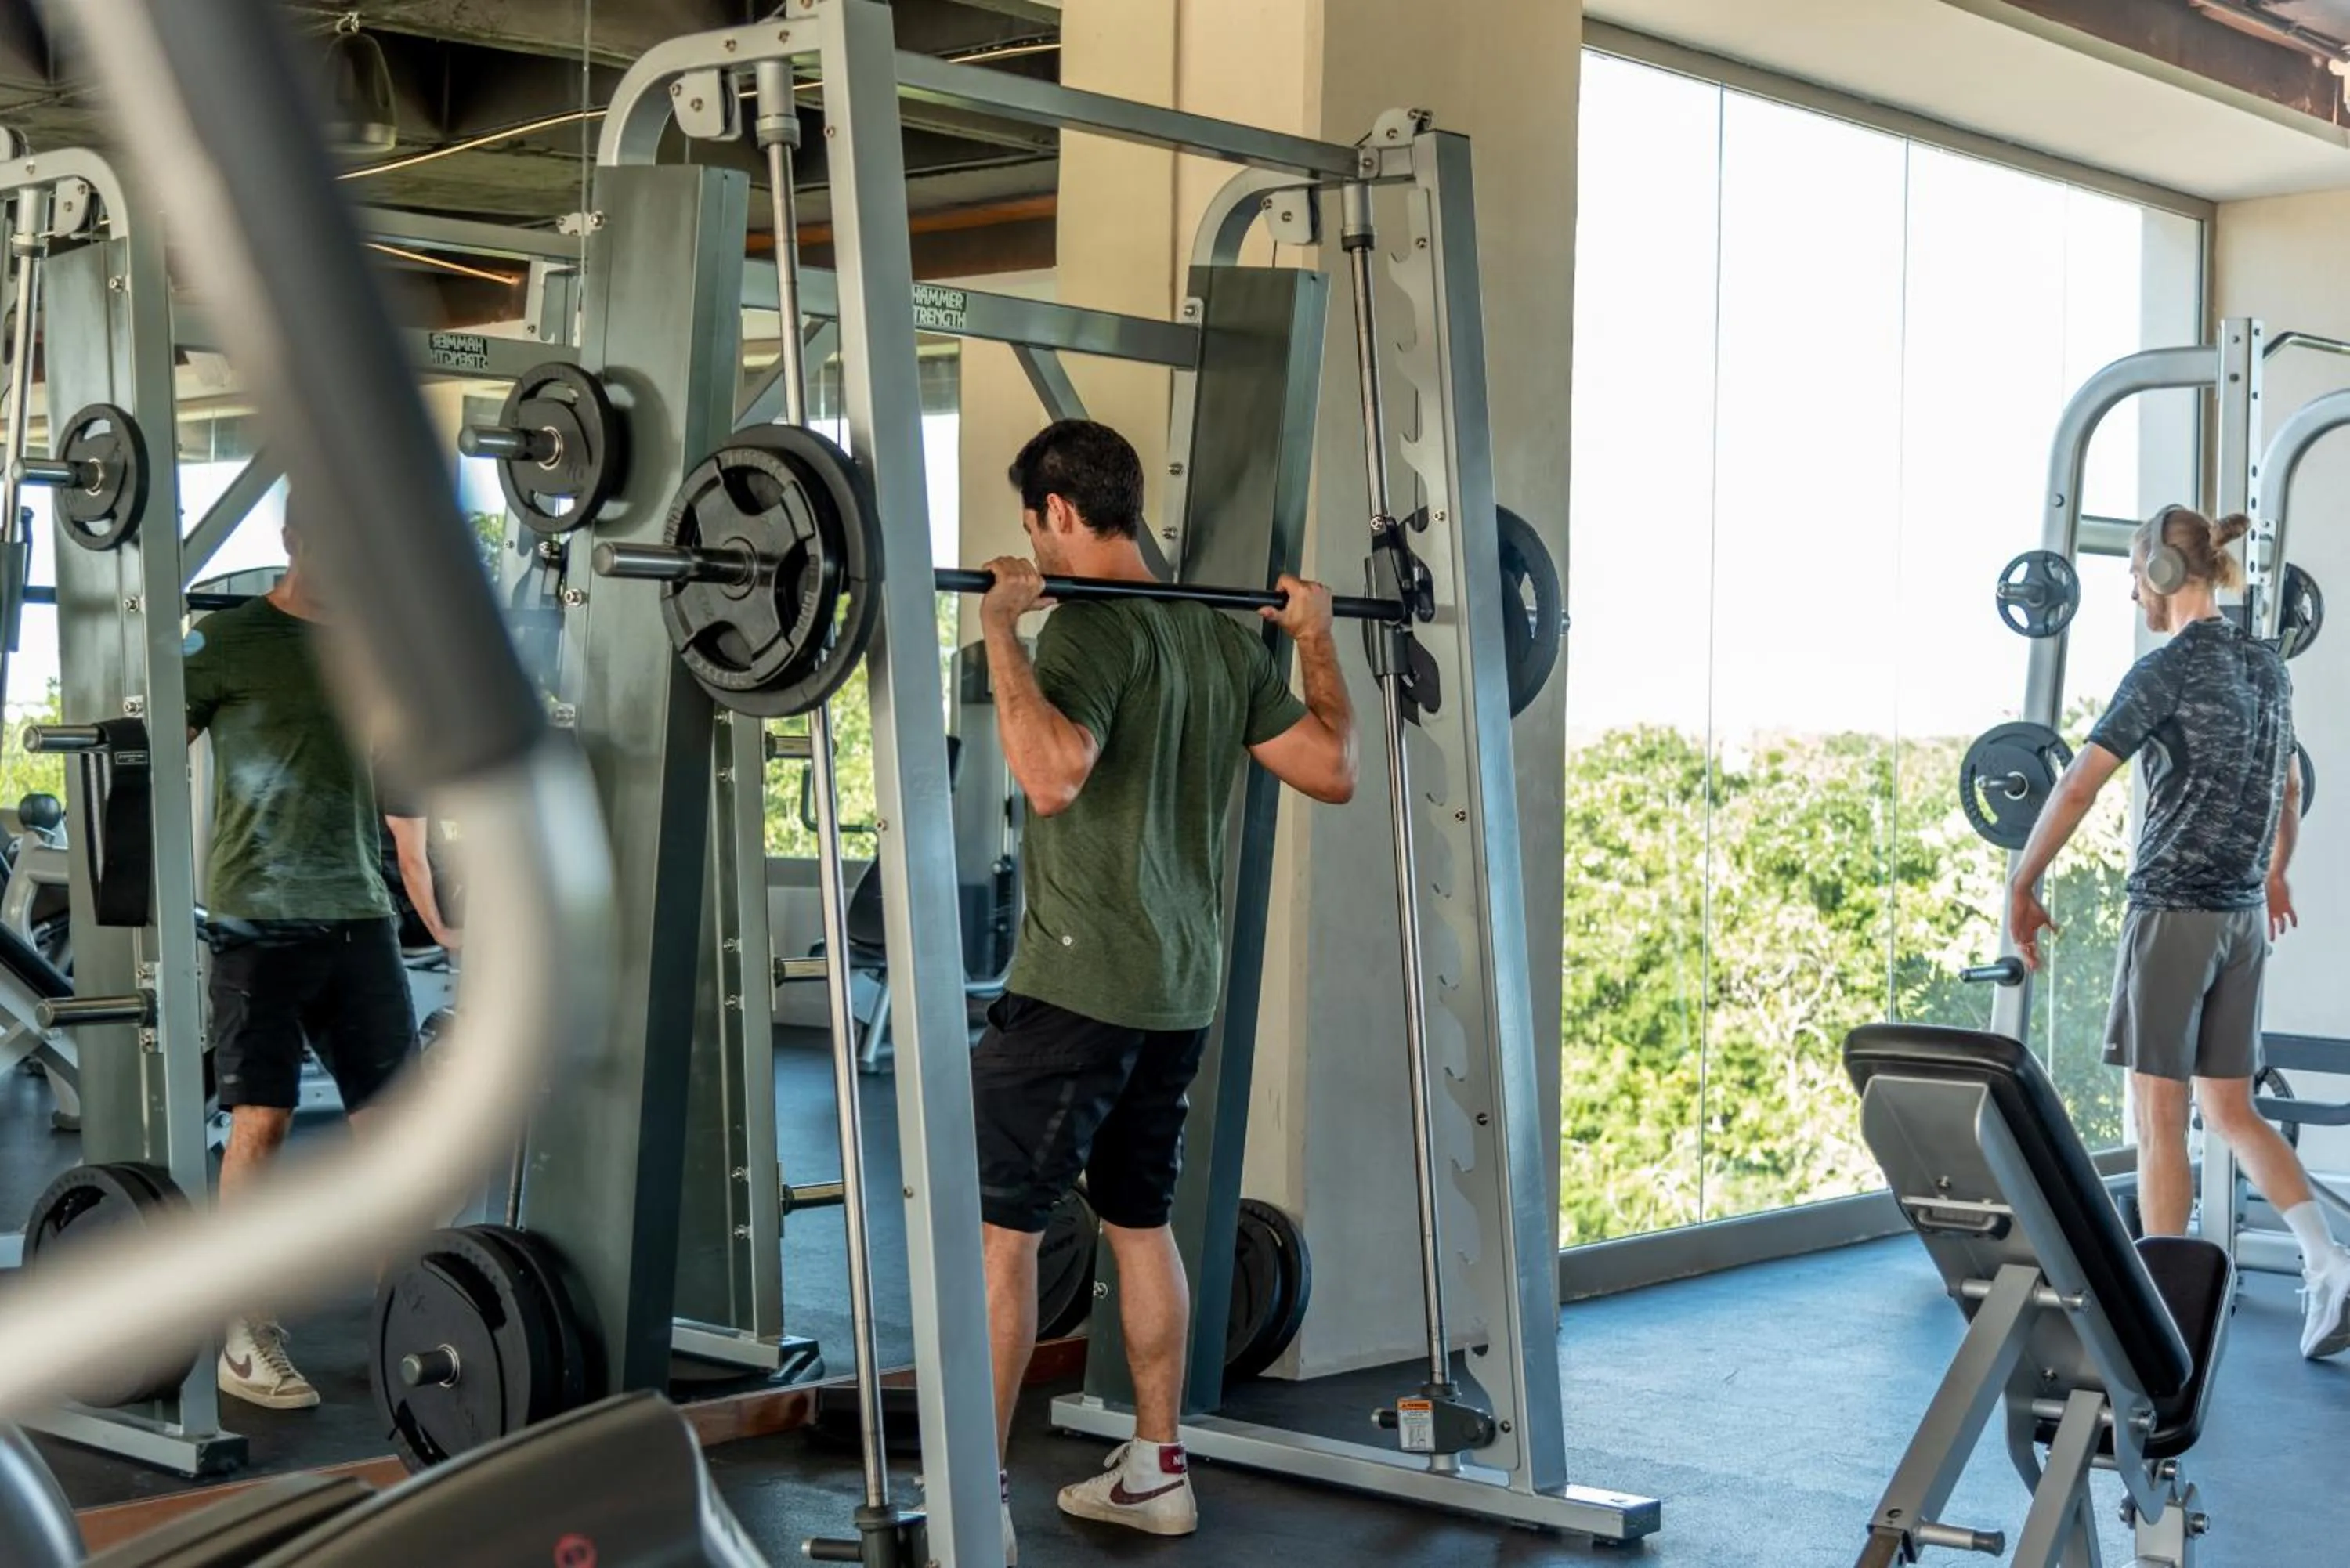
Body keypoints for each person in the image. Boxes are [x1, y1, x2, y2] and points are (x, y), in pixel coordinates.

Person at [974, 421, 1357, 1559]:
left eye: (1031, 520)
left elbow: (1049, 776)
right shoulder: (1215, 640)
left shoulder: (1089, 635)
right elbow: (1333, 767)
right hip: (1177, 988)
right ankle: (1155, 1469)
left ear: (1053, 514)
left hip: (1080, 985)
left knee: (999, 1239)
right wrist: (1318, 641)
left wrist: (999, 627)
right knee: (1139, 1222)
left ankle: (974, 1501)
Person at [2007, 504, 2350, 1360]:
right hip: (2241, 919)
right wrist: (2274, 872)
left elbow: (2079, 787)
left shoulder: (2162, 672)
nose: (2131, 591)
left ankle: (2165, 1333)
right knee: (2231, 1110)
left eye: (2133, 575)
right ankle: (2327, 1263)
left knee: (2159, 1121)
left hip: (2173, 913)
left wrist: (2023, 878)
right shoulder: (2268, 668)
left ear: (2162, 574)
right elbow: (2290, 791)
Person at [185, 500, 418, 1408]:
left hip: (358, 911)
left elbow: (400, 781)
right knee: (264, 1121)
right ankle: (243, 1329)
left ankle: (408, 1318)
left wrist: (431, 894)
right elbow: (146, 744)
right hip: (259, 918)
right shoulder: (226, 639)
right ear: (293, 541)